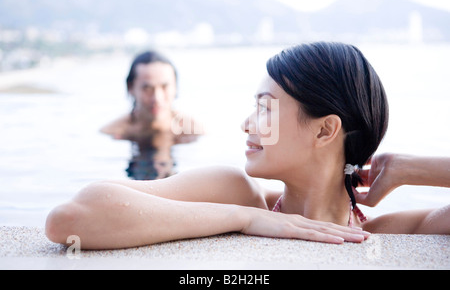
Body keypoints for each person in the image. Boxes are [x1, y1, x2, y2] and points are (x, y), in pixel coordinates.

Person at [46, 42, 449, 250]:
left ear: (325, 131)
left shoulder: (386, 233)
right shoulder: (237, 194)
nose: (246, 124)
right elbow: (69, 219)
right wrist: (245, 219)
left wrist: (411, 169)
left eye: (265, 109)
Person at [100, 51, 204, 142]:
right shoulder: (114, 131)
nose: (157, 98)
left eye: (164, 87)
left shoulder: (193, 130)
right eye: (147, 89)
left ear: (175, 87)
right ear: (131, 88)